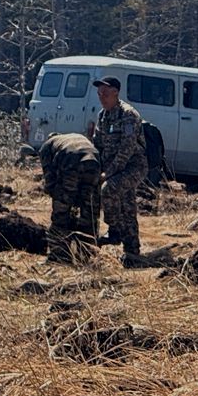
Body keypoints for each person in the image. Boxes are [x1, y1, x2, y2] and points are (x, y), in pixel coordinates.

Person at [84, 76, 146, 264]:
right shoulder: (103, 116)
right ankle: (132, 250)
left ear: (116, 93)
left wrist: (107, 174)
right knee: (127, 205)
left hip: (132, 167)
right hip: (113, 168)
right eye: (99, 94)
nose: (101, 98)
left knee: (109, 189)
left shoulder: (128, 115)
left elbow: (126, 150)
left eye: (105, 93)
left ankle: (115, 231)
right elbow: (98, 145)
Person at [39, 132, 102, 264]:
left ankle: (59, 255)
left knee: (61, 212)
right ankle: (86, 254)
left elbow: (49, 179)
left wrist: (59, 198)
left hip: (71, 161)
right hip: (94, 160)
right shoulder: (75, 137)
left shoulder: (47, 146)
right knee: (89, 211)